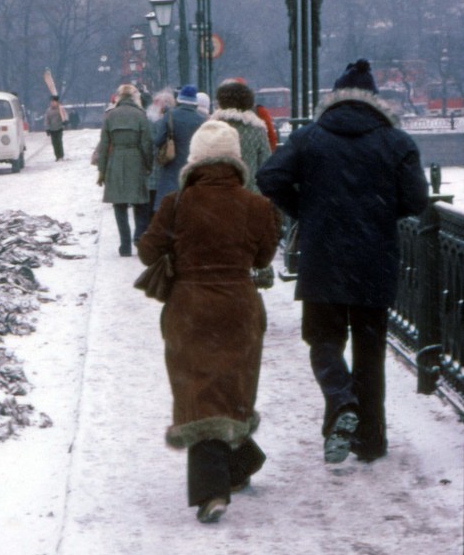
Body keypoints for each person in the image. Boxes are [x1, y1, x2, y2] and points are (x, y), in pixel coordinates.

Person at [257, 59, 428, 464]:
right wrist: (380, 212)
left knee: (323, 340)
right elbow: (417, 201)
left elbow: (269, 178)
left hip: (323, 256)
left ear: (333, 99)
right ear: (375, 101)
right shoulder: (396, 141)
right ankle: (370, 440)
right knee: (370, 350)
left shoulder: (309, 137)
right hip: (375, 257)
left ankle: (340, 399)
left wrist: (306, 208)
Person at [138, 120, 279, 524]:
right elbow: (263, 258)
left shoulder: (176, 203)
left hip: (190, 308)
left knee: (199, 391)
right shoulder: (256, 205)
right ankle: (240, 463)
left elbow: (149, 252)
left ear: (194, 160)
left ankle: (211, 491)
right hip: (239, 307)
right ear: (236, 160)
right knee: (232, 387)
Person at [96, 83, 153, 256]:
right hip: (135, 159)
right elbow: (146, 144)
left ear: (119, 97)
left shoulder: (110, 116)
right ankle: (139, 238)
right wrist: (148, 164)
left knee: (119, 205)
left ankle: (125, 245)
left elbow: (104, 145)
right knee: (140, 203)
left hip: (116, 160)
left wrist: (102, 170)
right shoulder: (141, 115)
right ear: (135, 97)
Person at [209, 81, 271, 192]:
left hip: (217, 194)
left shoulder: (211, 128)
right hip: (249, 195)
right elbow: (266, 167)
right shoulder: (257, 130)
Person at [153, 84, 207, 211]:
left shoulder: (170, 115)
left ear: (179, 99)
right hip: (193, 168)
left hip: (172, 167)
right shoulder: (202, 120)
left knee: (170, 206)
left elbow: (158, 141)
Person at [44, 96, 68, 160]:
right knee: (54, 143)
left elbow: (65, 115)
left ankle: (61, 155)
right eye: (51, 102)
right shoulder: (48, 111)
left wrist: (65, 121)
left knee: (59, 142)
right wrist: (47, 128)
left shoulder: (60, 109)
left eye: (54, 102)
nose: (52, 103)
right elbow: (47, 120)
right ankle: (57, 156)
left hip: (59, 128)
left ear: (57, 102)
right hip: (52, 129)